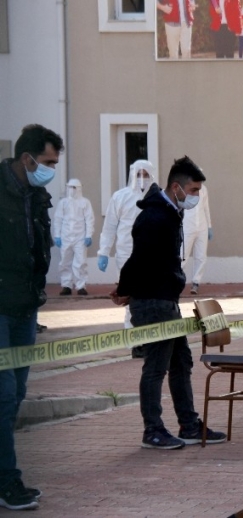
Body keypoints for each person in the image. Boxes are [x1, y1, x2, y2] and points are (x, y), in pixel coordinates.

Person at [111, 156, 226, 450]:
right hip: (152, 301)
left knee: (180, 362)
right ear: (176, 187)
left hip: (166, 299)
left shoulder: (170, 213)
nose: (196, 197)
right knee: (156, 365)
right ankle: (153, 429)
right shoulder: (154, 217)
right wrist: (125, 290)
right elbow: (137, 260)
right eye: (194, 190)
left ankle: (188, 424)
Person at [0, 124, 63, 510]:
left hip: (25, 307)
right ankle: (9, 480)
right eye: (47, 162)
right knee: (4, 395)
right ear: (26, 159)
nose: (52, 169)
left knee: (17, 394)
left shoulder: (37, 196)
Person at [98, 159, 158, 343]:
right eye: (138, 174)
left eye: (146, 174)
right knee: (128, 296)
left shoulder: (158, 197)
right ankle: (134, 340)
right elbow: (109, 226)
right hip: (126, 254)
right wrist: (103, 251)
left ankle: (148, 338)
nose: (142, 178)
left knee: (151, 296)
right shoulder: (120, 197)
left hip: (152, 255)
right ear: (132, 174)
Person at [53, 178, 94, 296]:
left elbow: (89, 220)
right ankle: (66, 285)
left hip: (80, 237)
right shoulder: (63, 203)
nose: (71, 190)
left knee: (80, 262)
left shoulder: (85, 202)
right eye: (69, 187)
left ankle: (81, 286)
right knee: (65, 261)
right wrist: (57, 235)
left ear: (79, 189)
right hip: (65, 237)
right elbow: (58, 219)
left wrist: (88, 235)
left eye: (74, 187)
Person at [182, 184, 212, 295]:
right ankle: (177, 282)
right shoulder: (183, 187)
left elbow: (206, 208)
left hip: (202, 227)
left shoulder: (203, 188)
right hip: (187, 226)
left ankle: (196, 282)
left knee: (200, 256)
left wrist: (209, 226)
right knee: (182, 255)